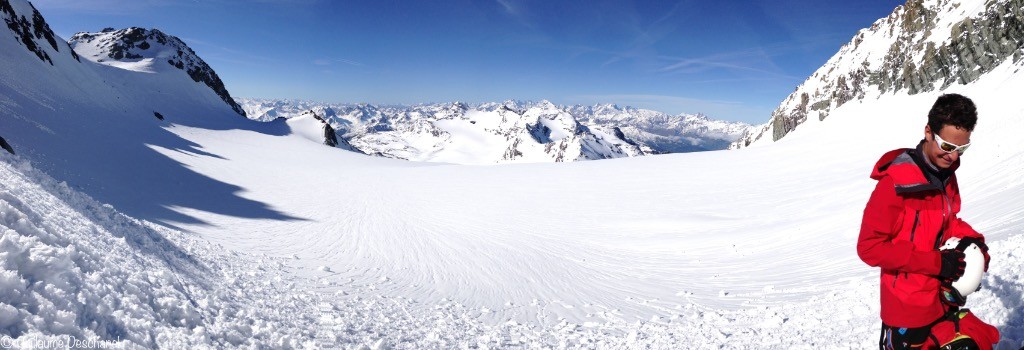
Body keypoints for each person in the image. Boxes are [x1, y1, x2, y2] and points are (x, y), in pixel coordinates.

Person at [857, 94, 999, 349]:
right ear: (929, 132)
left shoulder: (945, 174)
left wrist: (975, 243)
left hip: (942, 296)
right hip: (907, 309)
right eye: (947, 147)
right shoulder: (895, 185)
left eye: (961, 149)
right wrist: (937, 263)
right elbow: (869, 247)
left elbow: (948, 221)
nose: (953, 157)